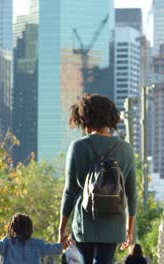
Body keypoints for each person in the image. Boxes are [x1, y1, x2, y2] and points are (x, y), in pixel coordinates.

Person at [58, 94, 138, 264]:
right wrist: (129, 230)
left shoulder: (78, 147)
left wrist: (62, 228)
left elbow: (69, 192)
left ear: (85, 119)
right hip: (114, 224)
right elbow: (132, 194)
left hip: (84, 224)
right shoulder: (126, 150)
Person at [0, 213, 64, 264]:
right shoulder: (37, 244)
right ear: (30, 228)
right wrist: (63, 245)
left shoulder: (7, 242)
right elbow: (51, 249)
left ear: (12, 227)